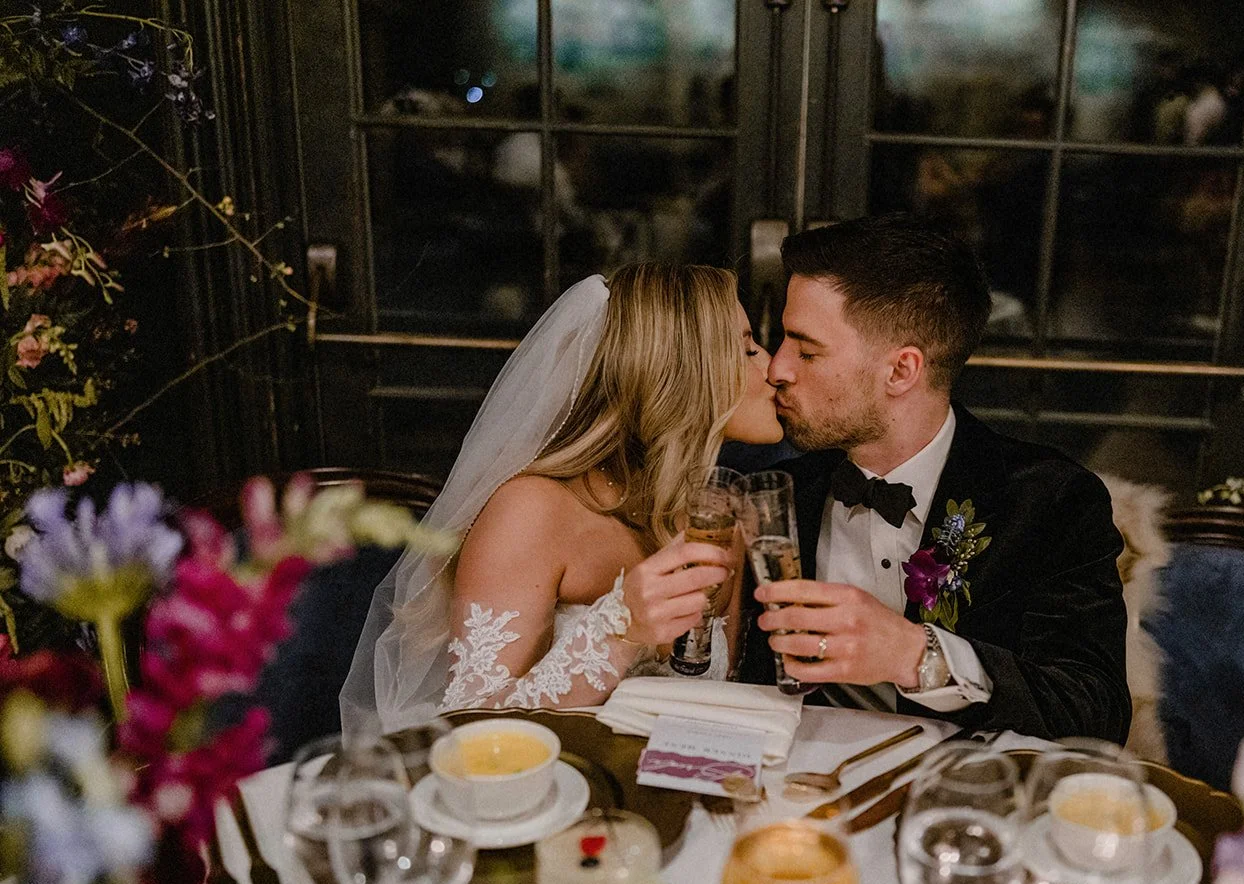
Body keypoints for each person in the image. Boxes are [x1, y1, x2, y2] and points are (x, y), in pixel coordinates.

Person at [341, 264, 784, 736]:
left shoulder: (717, 515)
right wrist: (619, 629)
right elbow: (473, 724)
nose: (773, 367)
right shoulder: (530, 512)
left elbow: (717, 702)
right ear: (681, 374)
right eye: (747, 349)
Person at [740, 214, 1131, 743]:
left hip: (959, 785)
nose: (777, 368)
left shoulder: (1051, 501)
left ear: (901, 371)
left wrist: (915, 656)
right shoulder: (778, 493)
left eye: (807, 350)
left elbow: (1093, 711)